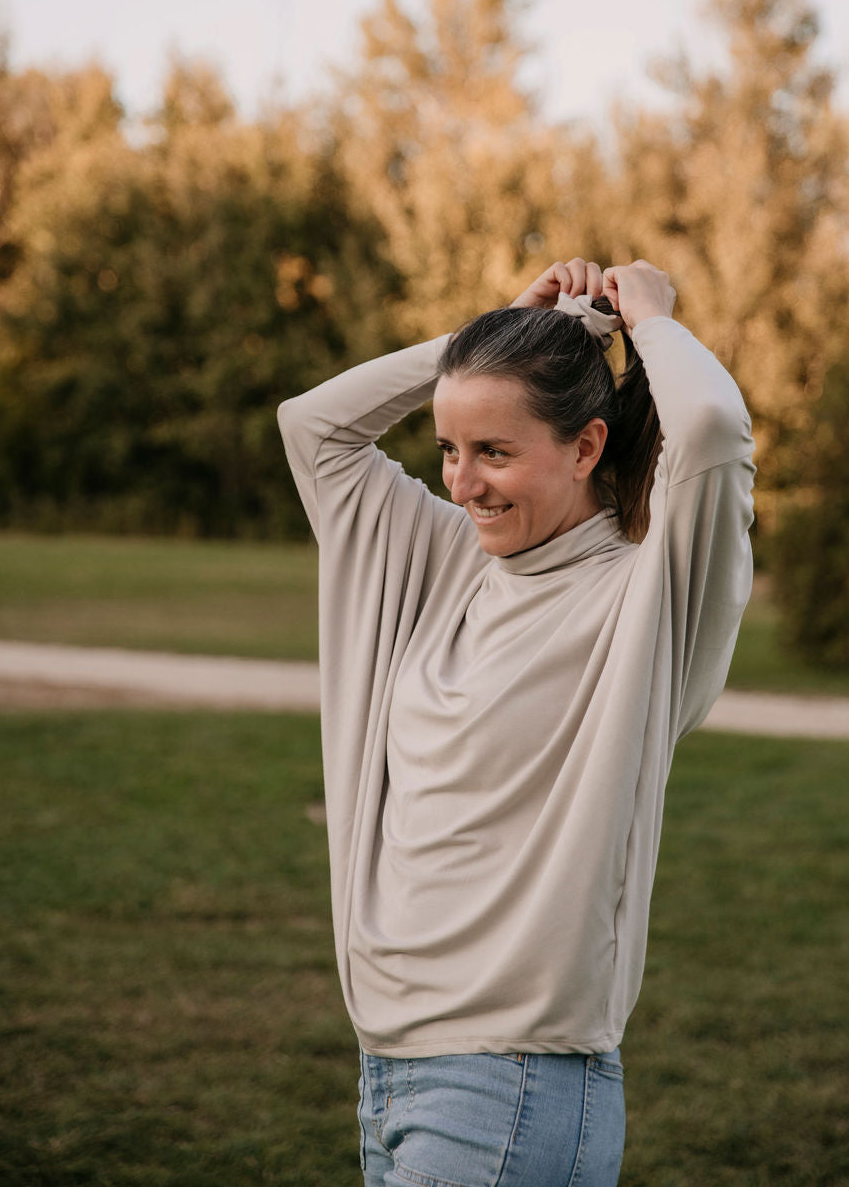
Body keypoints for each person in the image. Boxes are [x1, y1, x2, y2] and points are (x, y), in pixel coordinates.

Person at [277, 257, 756, 1187]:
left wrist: (648, 319)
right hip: (385, 1070)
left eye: (494, 452)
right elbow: (315, 428)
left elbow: (708, 427)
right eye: (450, 450)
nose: (463, 484)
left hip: (513, 1084)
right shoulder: (442, 560)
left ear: (586, 447)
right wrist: (496, 331)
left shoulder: (646, 593)